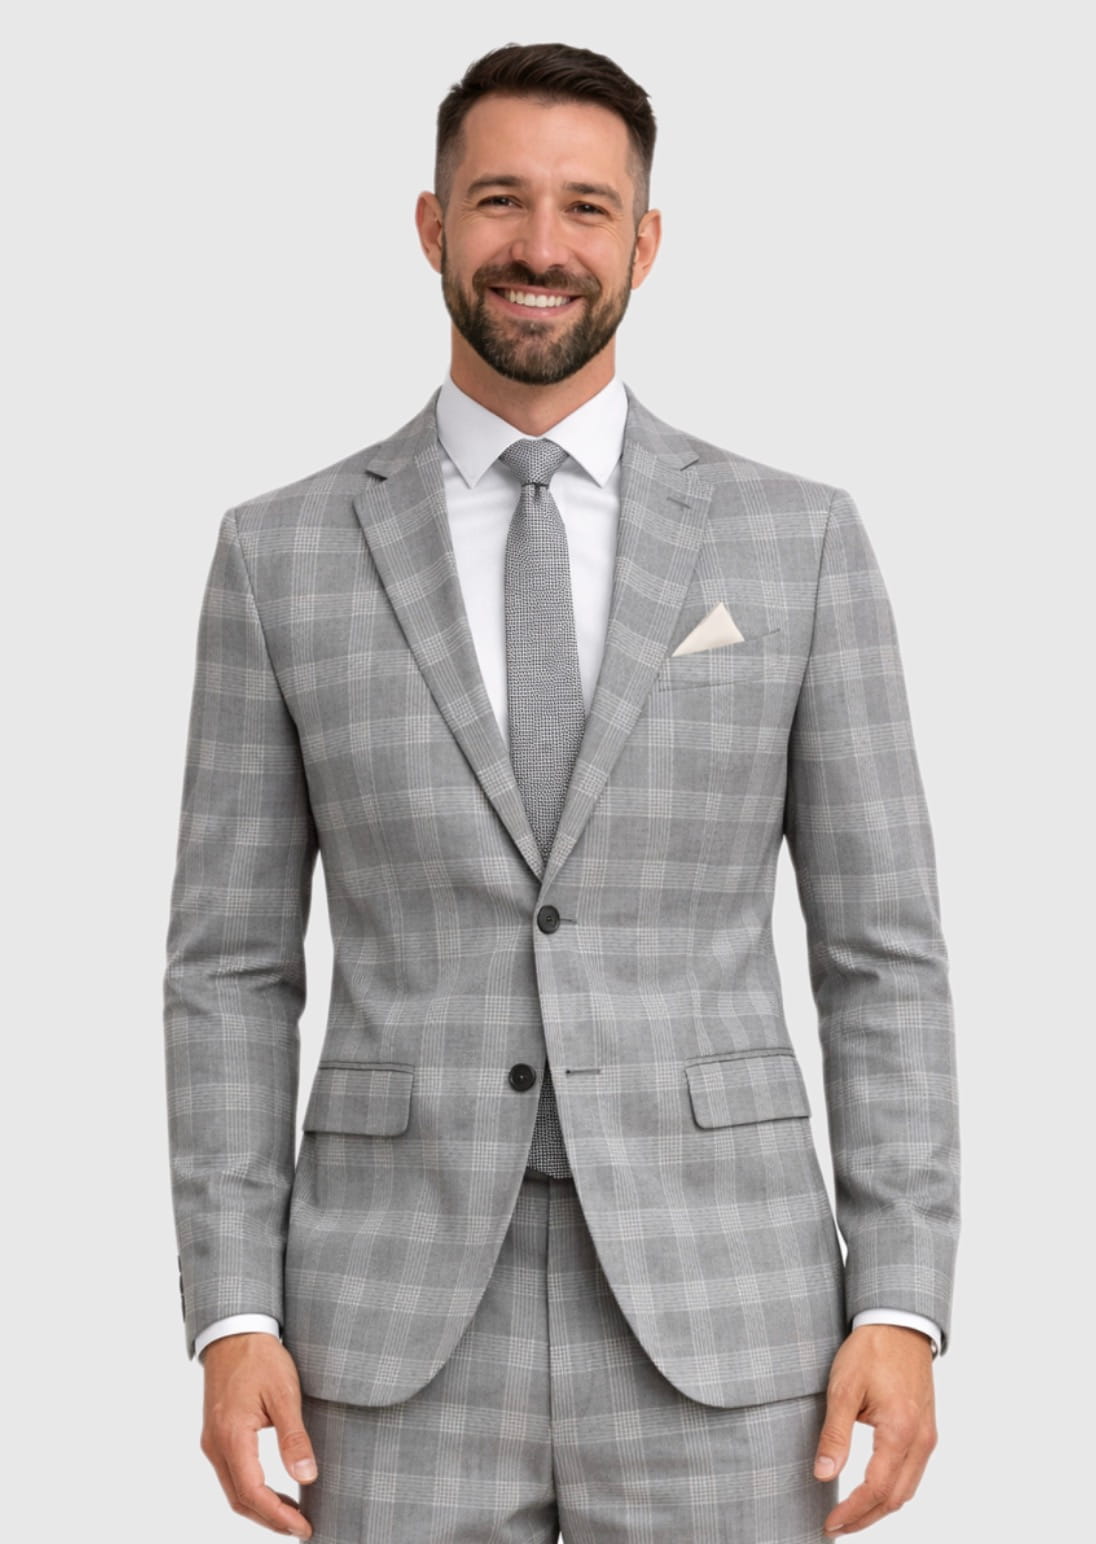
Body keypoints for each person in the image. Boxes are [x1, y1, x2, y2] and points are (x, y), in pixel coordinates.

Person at [163, 41, 960, 1544]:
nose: (542, 246)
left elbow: (884, 956)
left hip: (731, 1320)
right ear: (432, 225)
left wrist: (902, 1300)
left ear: (644, 243)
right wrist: (233, 1312)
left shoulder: (795, 541)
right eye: (500, 201)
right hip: (384, 1334)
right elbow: (229, 967)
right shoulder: (280, 556)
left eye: (587, 208)